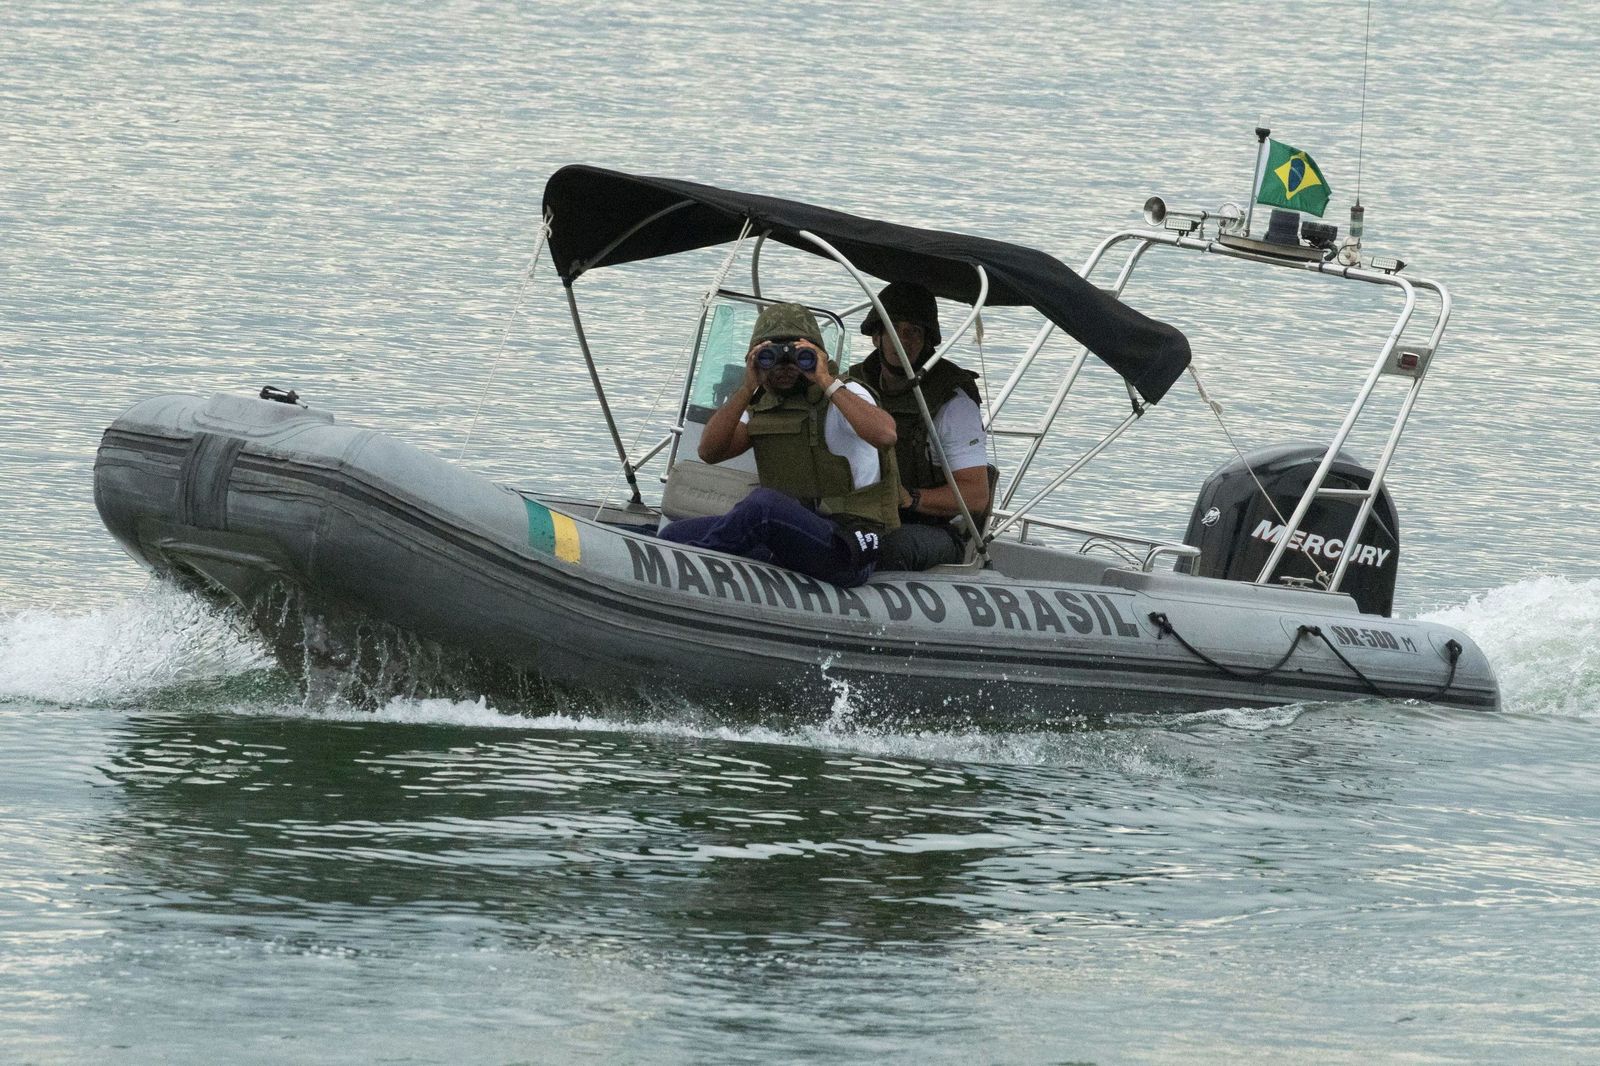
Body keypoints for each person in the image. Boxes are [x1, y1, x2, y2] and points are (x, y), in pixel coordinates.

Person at [658, 303, 900, 588]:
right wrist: (747, 386)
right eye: (772, 357)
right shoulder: (763, 402)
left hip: (848, 544)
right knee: (673, 534)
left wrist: (824, 379)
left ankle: (687, 569)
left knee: (763, 505)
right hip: (794, 534)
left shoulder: (844, 394)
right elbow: (709, 452)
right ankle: (676, 567)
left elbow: (885, 435)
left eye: (798, 357)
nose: (785, 368)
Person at [848, 281, 991, 571]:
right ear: (877, 336)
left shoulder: (951, 402)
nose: (905, 340)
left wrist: (909, 498)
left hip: (933, 529)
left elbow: (976, 495)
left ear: (927, 339)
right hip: (861, 515)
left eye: (914, 332)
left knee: (887, 546)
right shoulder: (853, 388)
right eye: (895, 329)